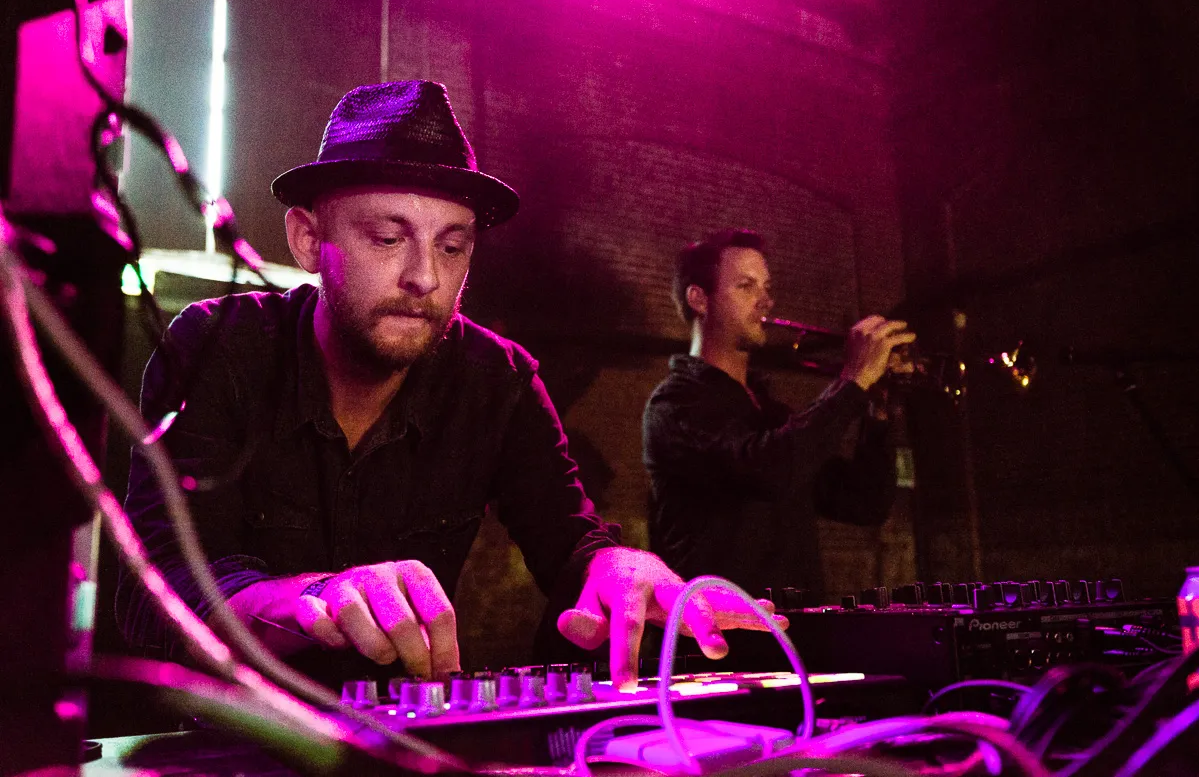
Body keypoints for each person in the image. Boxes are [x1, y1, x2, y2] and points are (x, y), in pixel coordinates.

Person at [116, 82, 778, 691]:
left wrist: (617, 568)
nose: (425, 277)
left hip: (405, 746)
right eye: (387, 238)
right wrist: (313, 599)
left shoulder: (499, 381)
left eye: (452, 246)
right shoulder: (216, 349)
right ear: (309, 239)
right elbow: (153, 596)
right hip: (226, 739)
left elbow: (572, 543)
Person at [642, 229, 915, 603]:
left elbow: (864, 502)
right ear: (699, 299)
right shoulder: (675, 405)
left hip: (795, 630)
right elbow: (770, 469)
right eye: (746, 286)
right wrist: (853, 380)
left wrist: (878, 413)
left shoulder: (769, 412)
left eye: (766, 287)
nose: (766, 301)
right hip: (722, 631)